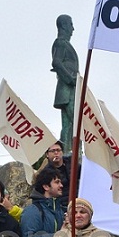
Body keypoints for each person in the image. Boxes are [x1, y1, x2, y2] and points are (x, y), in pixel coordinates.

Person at [51, 15, 78, 151]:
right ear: (64, 26)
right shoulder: (60, 42)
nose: (73, 29)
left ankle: (69, 152)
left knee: (69, 124)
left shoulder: (64, 44)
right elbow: (56, 62)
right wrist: (71, 79)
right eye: (71, 25)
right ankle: (71, 152)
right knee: (75, 123)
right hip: (67, 88)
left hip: (68, 89)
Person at [41, 141, 73, 208]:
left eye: (58, 150)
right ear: (47, 154)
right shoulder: (46, 172)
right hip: (60, 205)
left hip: (77, 202)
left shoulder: (72, 164)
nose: (56, 153)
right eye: (53, 151)